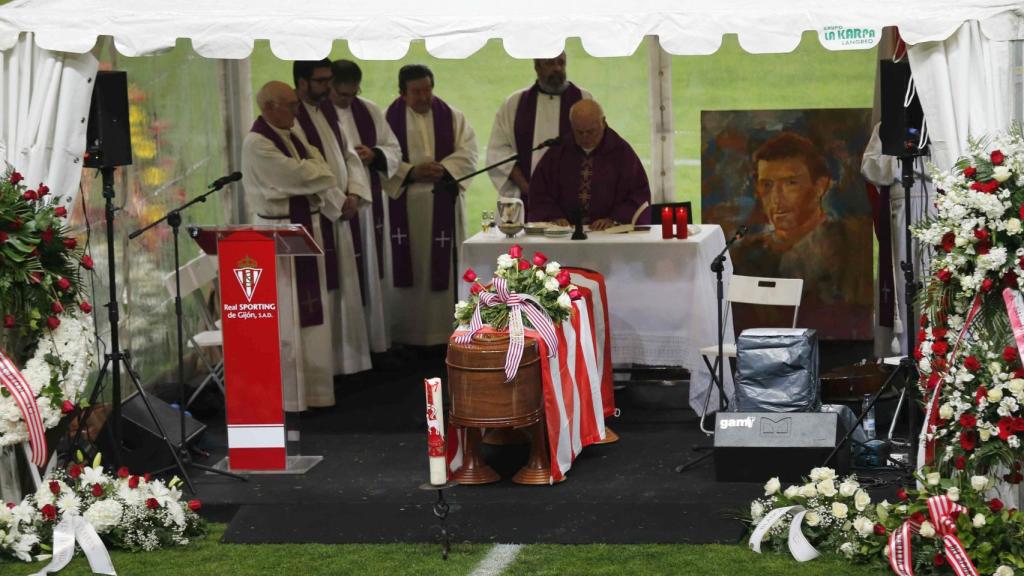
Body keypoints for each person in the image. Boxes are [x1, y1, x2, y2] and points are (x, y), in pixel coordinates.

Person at [241, 81, 341, 410]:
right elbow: (298, 176)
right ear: (270, 107)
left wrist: (313, 171)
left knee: (310, 308)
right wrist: (313, 171)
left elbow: (321, 170)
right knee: (287, 313)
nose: (298, 111)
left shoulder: (290, 133)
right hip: (278, 232)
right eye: (292, 105)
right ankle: (291, 396)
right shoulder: (258, 142)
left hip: (302, 225)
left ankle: (316, 390)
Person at [732, 131, 873, 338]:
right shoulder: (744, 256)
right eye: (767, 185)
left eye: (790, 183)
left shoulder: (852, 243)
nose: (776, 198)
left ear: (820, 186)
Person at [383, 64, 478, 345]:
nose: (424, 97)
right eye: (416, 92)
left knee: (443, 271)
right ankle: (407, 336)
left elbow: (469, 153)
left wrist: (444, 169)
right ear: (402, 93)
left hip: (443, 202)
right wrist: (411, 172)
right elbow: (381, 159)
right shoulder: (387, 121)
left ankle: (444, 334)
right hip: (406, 208)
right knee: (408, 269)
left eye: (428, 90)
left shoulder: (452, 117)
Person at [292, 59, 372, 376]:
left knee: (343, 292)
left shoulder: (326, 110)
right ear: (302, 82)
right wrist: (339, 202)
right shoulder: (293, 118)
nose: (328, 86)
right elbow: (307, 173)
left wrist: (355, 192)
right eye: (322, 80)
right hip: (321, 216)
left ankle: (345, 363)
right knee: (324, 296)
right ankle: (326, 368)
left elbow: (349, 155)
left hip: (340, 213)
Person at [328, 59, 403, 353]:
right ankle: (348, 351)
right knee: (346, 278)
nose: (348, 101)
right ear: (330, 86)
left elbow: (393, 149)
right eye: (342, 95)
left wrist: (375, 154)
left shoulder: (369, 111)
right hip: (337, 205)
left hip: (367, 208)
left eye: (353, 94)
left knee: (371, 273)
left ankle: (376, 343)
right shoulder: (318, 115)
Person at [486, 52, 591, 212]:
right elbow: (498, 153)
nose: (557, 68)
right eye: (550, 63)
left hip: (573, 200)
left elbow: (598, 144)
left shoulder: (584, 100)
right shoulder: (515, 104)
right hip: (526, 199)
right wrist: (527, 189)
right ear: (537, 67)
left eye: (561, 63)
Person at [527, 99, 650, 230]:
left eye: (591, 131)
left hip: (606, 234)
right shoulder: (559, 151)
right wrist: (554, 217)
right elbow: (539, 193)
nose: (585, 137)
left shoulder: (621, 152)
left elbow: (638, 195)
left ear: (603, 122)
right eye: (579, 132)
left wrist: (614, 219)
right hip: (565, 233)